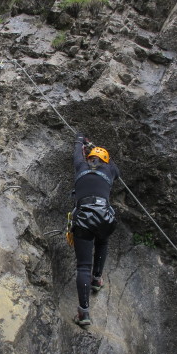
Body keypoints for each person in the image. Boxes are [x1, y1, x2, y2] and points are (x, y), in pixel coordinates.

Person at [71, 133, 120, 327]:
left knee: (83, 266)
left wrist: (80, 140)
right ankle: (97, 279)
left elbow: (76, 153)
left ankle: (84, 313)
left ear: (88, 158)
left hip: (83, 215)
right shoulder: (110, 170)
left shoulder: (80, 166)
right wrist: (95, 146)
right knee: (103, 240)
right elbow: (115, 167)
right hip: (104, 215)